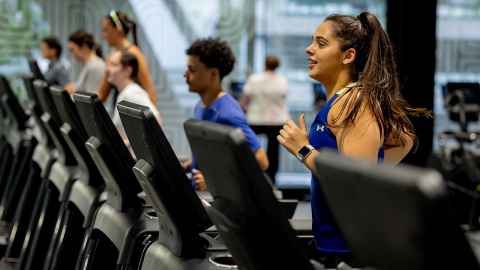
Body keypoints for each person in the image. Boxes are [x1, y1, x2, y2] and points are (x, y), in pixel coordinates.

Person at [277, 12, 428, 268]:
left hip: (353, 251)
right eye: (312, 41)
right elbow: (405, 138)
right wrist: (375, 167)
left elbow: (354, 185)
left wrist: (303, 149)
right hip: (336, 244)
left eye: (321, 43)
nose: (308, 49)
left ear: (348, 56)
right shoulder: (344, 100)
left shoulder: (354, 101)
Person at [184, 38, 269, 191]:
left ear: (213, 74)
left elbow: (261, 160)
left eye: (192, 70)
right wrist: (192, 163)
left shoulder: (228, 113)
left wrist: (214, 181)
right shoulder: (200, 106)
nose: (186, 75)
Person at [241, 55, 290, 184]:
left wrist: (242, 110)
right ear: (277, 66)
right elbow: (283, 98)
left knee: (250, 148)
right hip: (276, 121)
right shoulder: (282, 80)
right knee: (273, 153)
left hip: (255, 119)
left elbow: (246, 99)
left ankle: (249, 175)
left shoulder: (254, 79)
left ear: (265, 64)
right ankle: (271, 180)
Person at [98, 10, 157, 104]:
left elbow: (150, 91)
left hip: (134, 112)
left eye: (106, 30)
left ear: (118, 29)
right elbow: (102, 94)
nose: (103, 35)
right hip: (119, 110)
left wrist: (152, 115)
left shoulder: (135, 55)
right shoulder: (112, 57)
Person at [106, 50, 161, 144]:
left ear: (128, 70)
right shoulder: (125, 92)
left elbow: (156, 121)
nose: (108, 69)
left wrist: (130, 143)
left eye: (114, 65)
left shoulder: (132, 93)